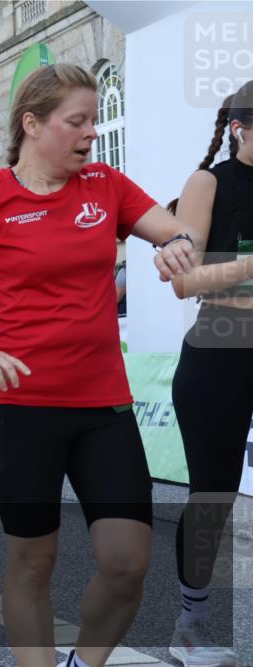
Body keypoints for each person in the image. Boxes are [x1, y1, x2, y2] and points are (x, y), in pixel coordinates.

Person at [0, 64, 195, 667]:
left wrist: (175, 243)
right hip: (20, 410)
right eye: (77, 121)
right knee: (33, 563)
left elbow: (170, 228)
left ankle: (82, 663)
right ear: (32, 125)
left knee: (127, 563)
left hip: (102, 407)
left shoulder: (105, 185)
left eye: (94, 120)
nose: (91, 133)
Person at [167, 82, 253, 667]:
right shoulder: (210, 182)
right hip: (221, 347)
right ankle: (190, 624)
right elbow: (184, 279)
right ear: (242, 126)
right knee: (214, 497)